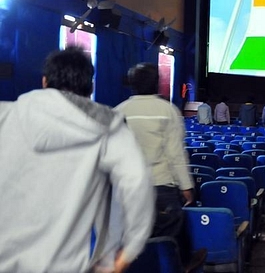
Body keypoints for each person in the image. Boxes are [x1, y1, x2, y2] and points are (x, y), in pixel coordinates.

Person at [0, 46, 154, 273]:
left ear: (44, 82)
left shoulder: (5, 114)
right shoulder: (109, 126)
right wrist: (129, 250)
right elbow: (137, 183)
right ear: (90, 87)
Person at [115, 63, 194, 242]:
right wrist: (186, 186)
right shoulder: (168, 111)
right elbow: (176, 154)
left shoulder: (118, 111)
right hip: (162, 187)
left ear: (132, 84)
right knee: (166, 242)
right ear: (156, 83)